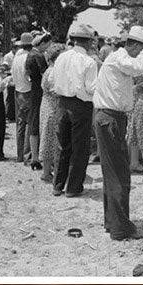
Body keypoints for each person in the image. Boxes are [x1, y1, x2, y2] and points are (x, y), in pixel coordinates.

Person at [92, 25, 143, 239]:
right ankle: (120, 228)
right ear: (136, 46)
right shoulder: (120, 57)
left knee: (113, 172)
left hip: (109, 116)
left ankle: (113, 222)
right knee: (119, 173)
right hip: (111, 118)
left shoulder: (117, 59)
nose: (142, 54)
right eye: (142, 49)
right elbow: (138, 68)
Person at [47, 23, 98, 197]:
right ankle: (74, 187)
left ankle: (58, 185)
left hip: (62, 103)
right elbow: (91, 87)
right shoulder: (89, 62)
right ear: (89, 42)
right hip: (81, 105)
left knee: (62, 145)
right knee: (80, 147)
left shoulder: (61, 57)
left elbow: (53, 79)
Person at [36, 43, 65, 182]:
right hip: (52, 107)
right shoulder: (53, 71)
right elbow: (55, 90)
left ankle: (48, 170)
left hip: (47, 106)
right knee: (50, 139)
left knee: (48, 138)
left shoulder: (50, 70)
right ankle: (47, 172)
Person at [24, 30, 51, 169]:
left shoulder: (29, 55)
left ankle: (34, 156)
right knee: (41, 123)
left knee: (33, 121)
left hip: (33, 90)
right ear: (43, 43)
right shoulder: (39, 56)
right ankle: (39, 156)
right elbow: (45, 74)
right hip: (40, 91)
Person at [9, 31, 34, 162]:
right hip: (27, 92)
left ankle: (19, 155)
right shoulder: (28, 58)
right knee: (30, 124)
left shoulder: (16, 58)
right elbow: (29, 77)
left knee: (20, 125)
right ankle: (27, 153)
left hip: (18, 92)